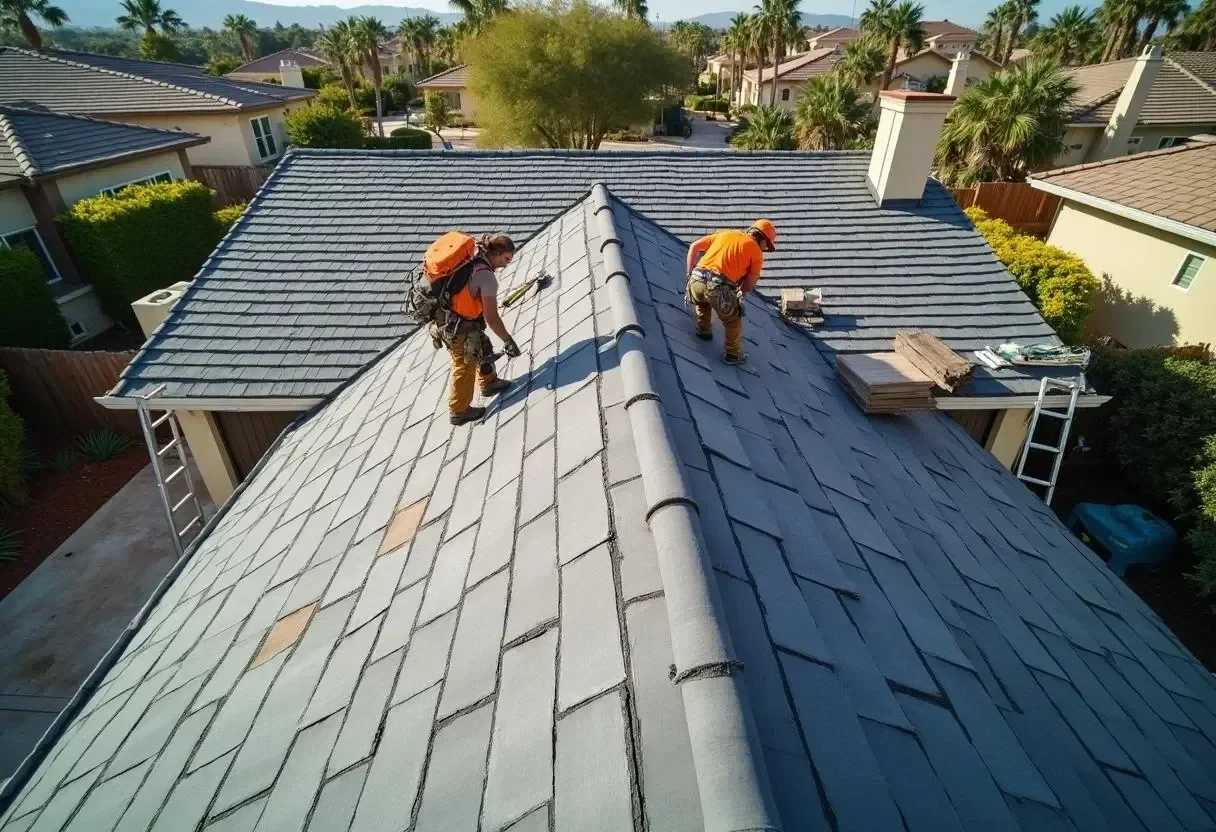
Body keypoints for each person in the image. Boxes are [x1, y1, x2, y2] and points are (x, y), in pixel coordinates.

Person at [434, 233, 521, 425]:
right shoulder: (487, 278)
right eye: (505, 259)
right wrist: (508, 340)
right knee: (464, 364)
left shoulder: (474, 257)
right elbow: (491, 317)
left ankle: (489, 383)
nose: (506, 265)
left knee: (482, 344)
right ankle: (458, 410)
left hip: (448, 320)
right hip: (458, 328)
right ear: (496, 253)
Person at [684, 219, 777, 365]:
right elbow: (749, 283)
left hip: (696, 280)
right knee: (733, 320)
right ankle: (732, 354)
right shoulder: (756, 252)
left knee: (703, 302)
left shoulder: (726, 233)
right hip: (717, 287)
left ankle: (704, 330)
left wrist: (690, 273)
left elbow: (694, 246)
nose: (765, 248)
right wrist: (739, 295)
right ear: (762, 238)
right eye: (767, 245)